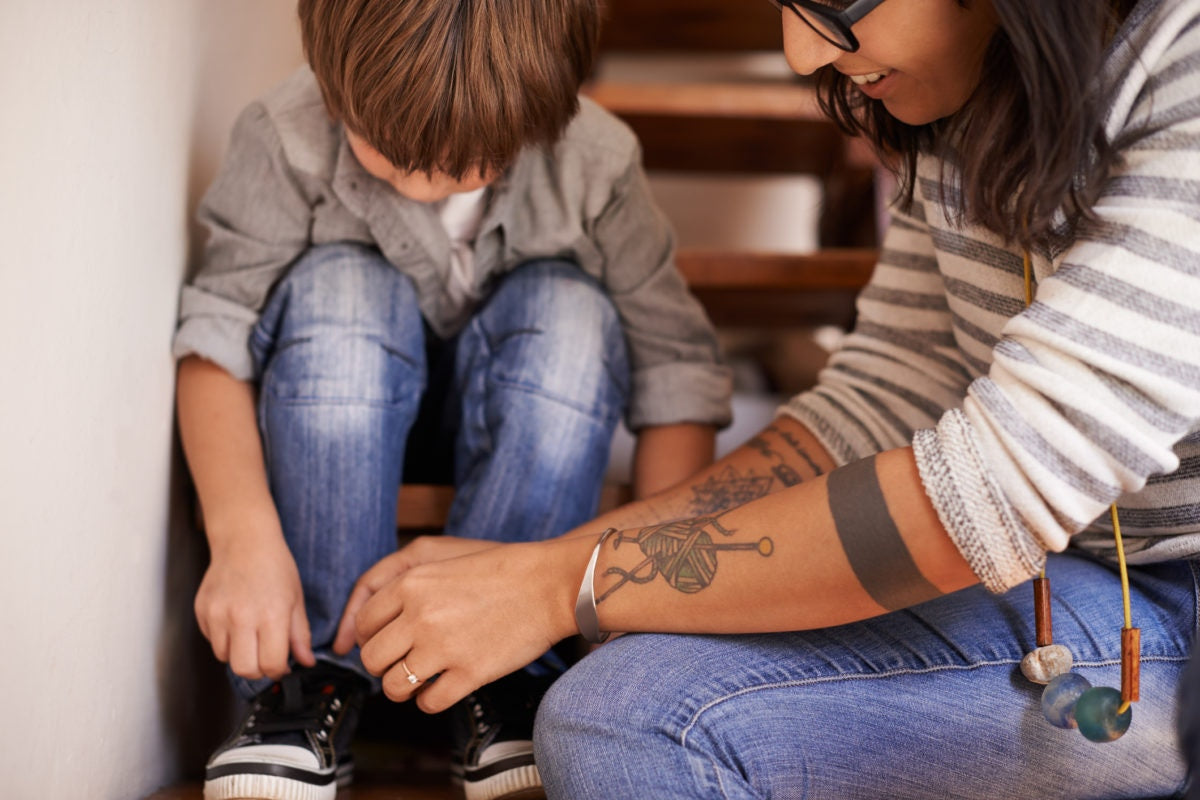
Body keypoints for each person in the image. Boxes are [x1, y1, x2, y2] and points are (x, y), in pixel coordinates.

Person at [339, 0, 1200, 797]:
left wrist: (559, 582)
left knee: (631, 720)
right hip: (1082, 580)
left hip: (1173, 606)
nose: (800, 51)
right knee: (627, 686)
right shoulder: (967, 87)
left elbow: (987, 490)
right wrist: (560, 561)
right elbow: (881, 397)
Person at [172, 0, 734, 797]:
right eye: (382, 150)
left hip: (519, 453)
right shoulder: (284, 132)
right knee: (339, 284)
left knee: (572, 308)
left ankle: (505, 675)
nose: (417, 182)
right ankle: (311, 685)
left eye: (463, 164)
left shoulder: (597, 162)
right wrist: (240, 538)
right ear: (333, 85)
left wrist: (639, 602)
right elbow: (214, 341)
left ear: (540, 114)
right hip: (341, 431)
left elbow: (676, 371)